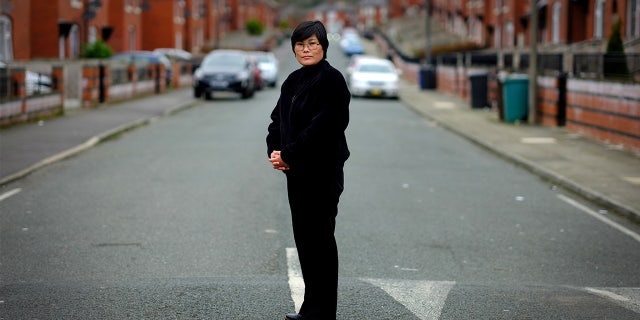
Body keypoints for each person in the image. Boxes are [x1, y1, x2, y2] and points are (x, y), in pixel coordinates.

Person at [266, 20, 350, 320]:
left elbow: (325, 127)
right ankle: (312, 310)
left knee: (321, 243)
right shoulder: (292, 81)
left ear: (323, 46)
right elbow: (277, 121)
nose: (306, 49)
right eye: (300, 44)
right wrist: (275, 152)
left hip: (322, 174)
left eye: (312, 43)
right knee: (305, 242)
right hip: (297, 174)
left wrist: (288, 153)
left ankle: (323, 313)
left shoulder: (332, 80)